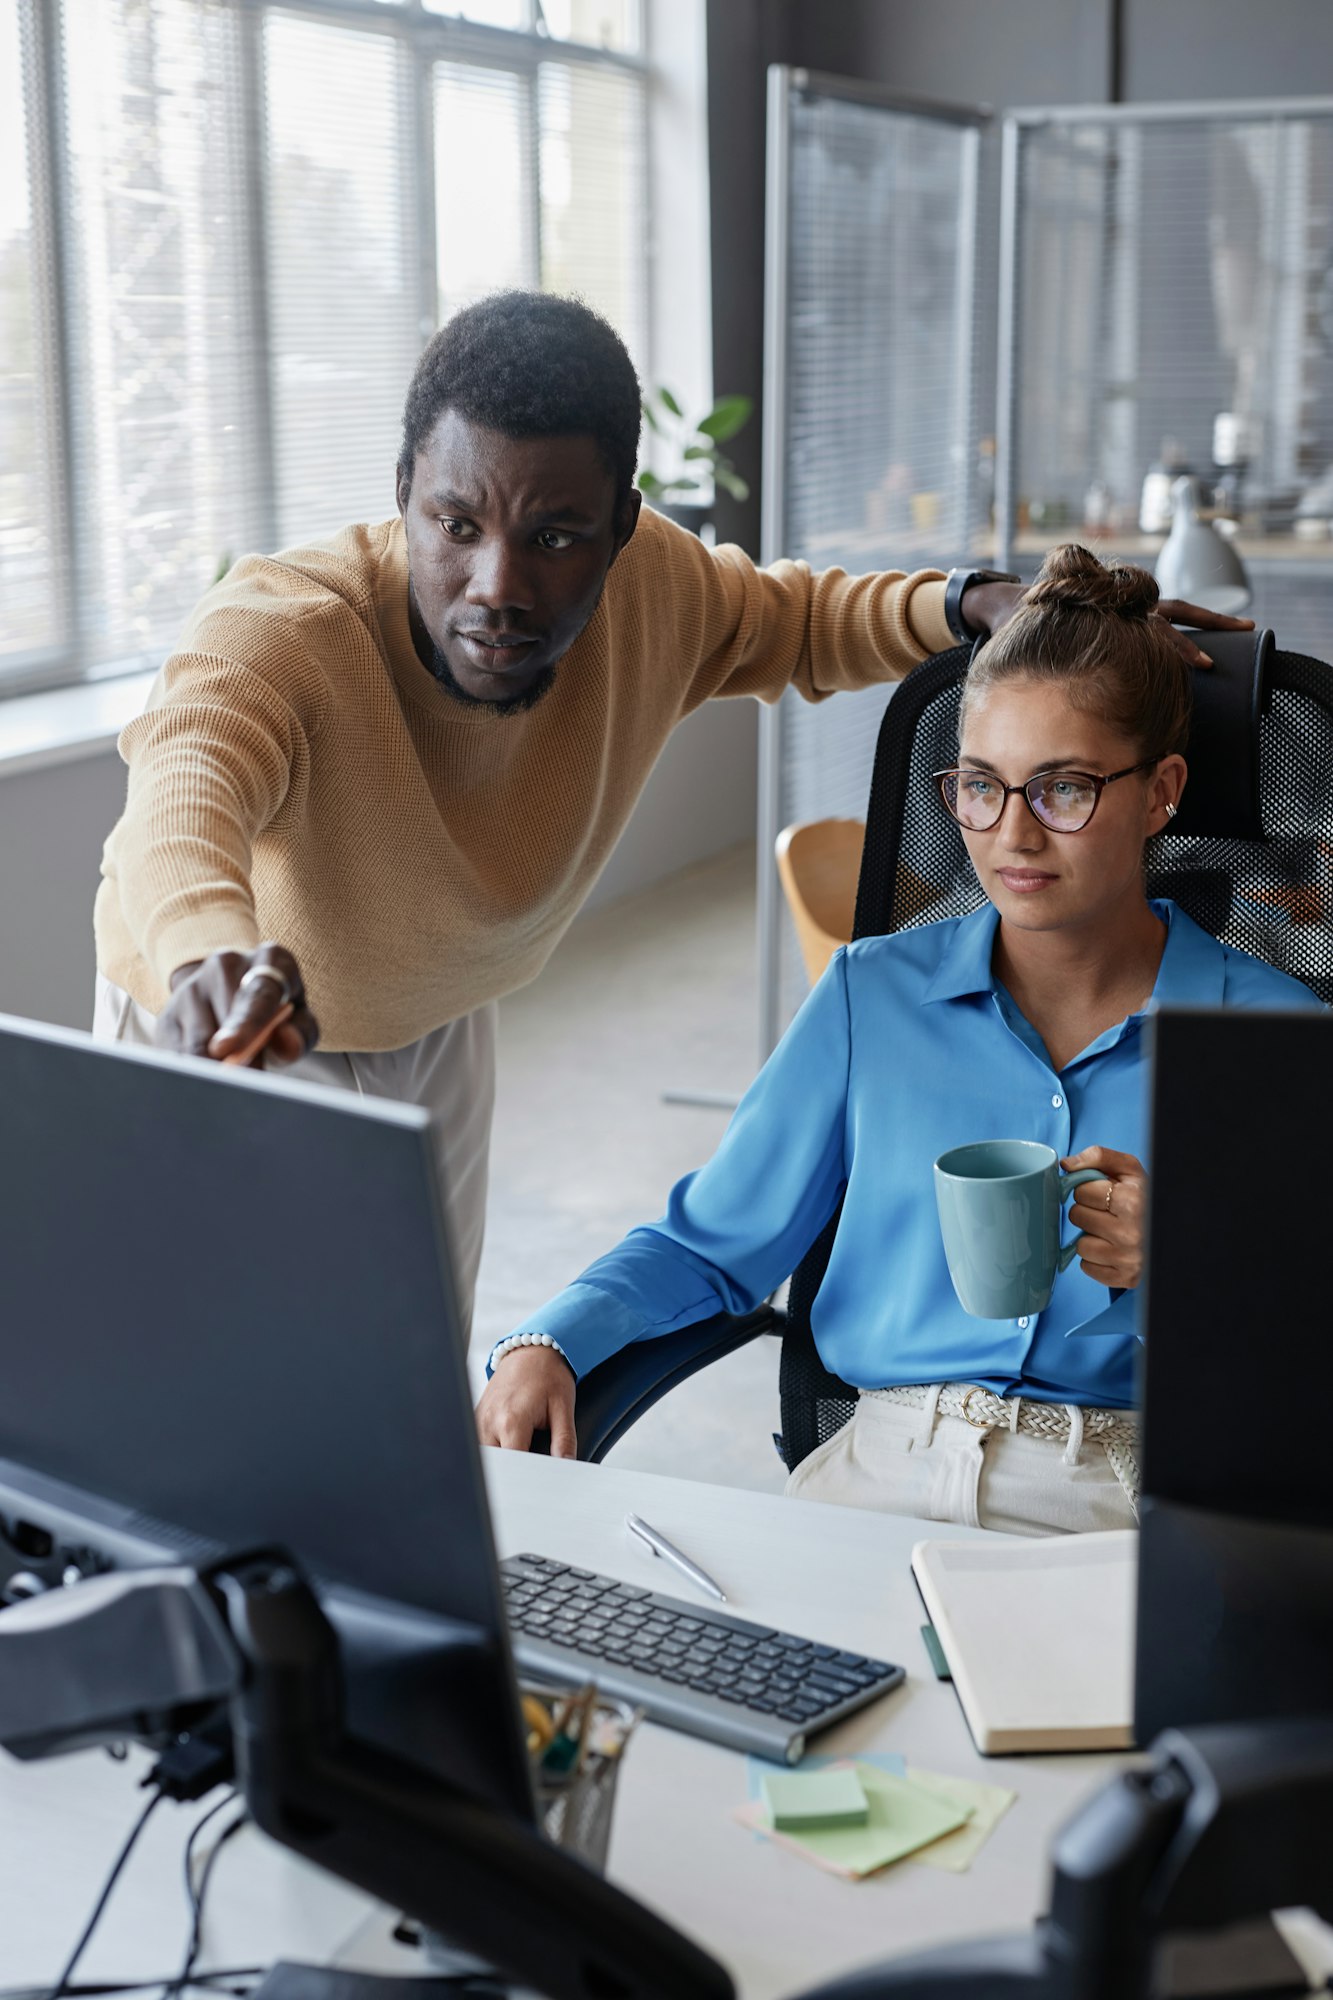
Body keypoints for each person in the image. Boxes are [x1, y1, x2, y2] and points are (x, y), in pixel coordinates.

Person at [93, 291, 1242, 1333]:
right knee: (205, 1376)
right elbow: (181, 796)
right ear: (403, 495)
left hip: (432, 1015)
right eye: (454, 524)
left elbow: (797, 617)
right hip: (236, 1020)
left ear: (620, 525)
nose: (497, 583)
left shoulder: (656, 591)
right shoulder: (284, 630)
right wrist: (208, 951)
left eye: (553, 536)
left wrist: (967, 601)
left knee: (396, 1370)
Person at [475, 544, 1323, 1534]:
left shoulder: (1276, 1038)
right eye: (980, 785)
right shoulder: (865, 1000)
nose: (1012, 834)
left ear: (1161, 791)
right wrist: (548, 1340)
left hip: (1120, 1504)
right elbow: (708, 1245)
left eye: (1064, 789)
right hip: (874, 1478)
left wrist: (1201, 1254)